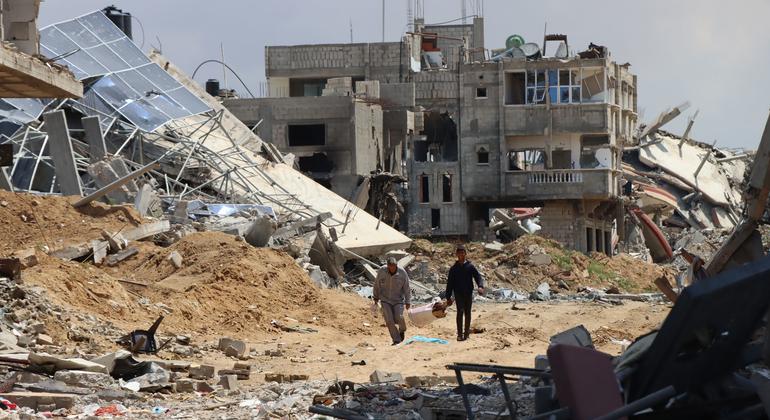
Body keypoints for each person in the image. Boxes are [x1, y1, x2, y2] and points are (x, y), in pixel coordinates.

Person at [445, 244, 484, 341]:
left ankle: (466, 334)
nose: (461, 254)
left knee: (468, 313)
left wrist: (480, 286)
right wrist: (448, 297)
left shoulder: (470, 266)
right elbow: (449, 283)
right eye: (459, 253)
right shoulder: (453, 269)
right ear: (456, 254)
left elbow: (478, 277)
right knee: (460, 312)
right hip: (458, 293)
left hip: (468, 293)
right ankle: (459, 334)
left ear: (465, 254)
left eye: (462, 253)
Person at [373, 257, 411, 345]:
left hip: (398, 299)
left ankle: (402, 330)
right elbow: (377, 284)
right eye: (390, 267)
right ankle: (396, 339)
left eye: (394, 267)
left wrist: (408, 301)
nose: (392, 269)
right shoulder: (382, 271)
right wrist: (376, 296)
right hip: (385, 299)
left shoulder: (402, 273)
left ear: (396, 266)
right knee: (389, 320)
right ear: (388, 266)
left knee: (399, 317)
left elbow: (406, 288)